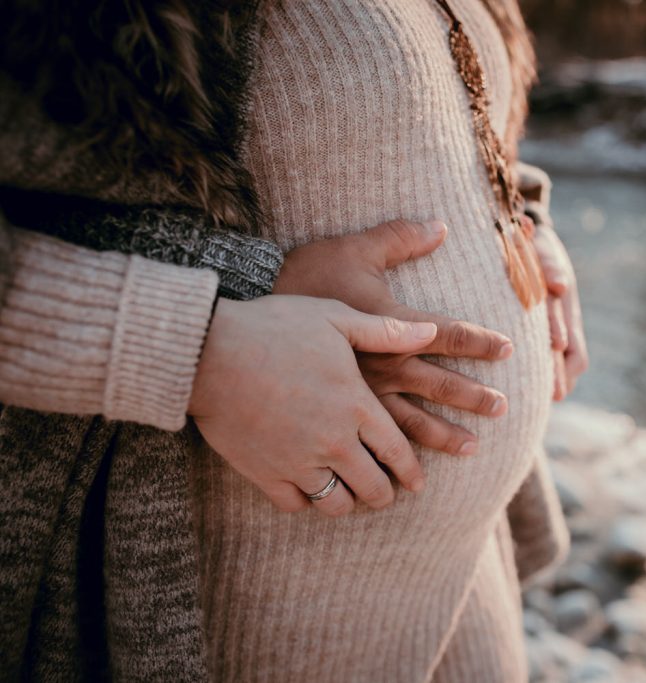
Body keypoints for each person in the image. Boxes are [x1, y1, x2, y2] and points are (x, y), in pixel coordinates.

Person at [0, 1, 587, 681]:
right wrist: (194, 348)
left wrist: (522, 210)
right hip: (236, 576)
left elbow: (454, 100)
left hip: (466, 567)